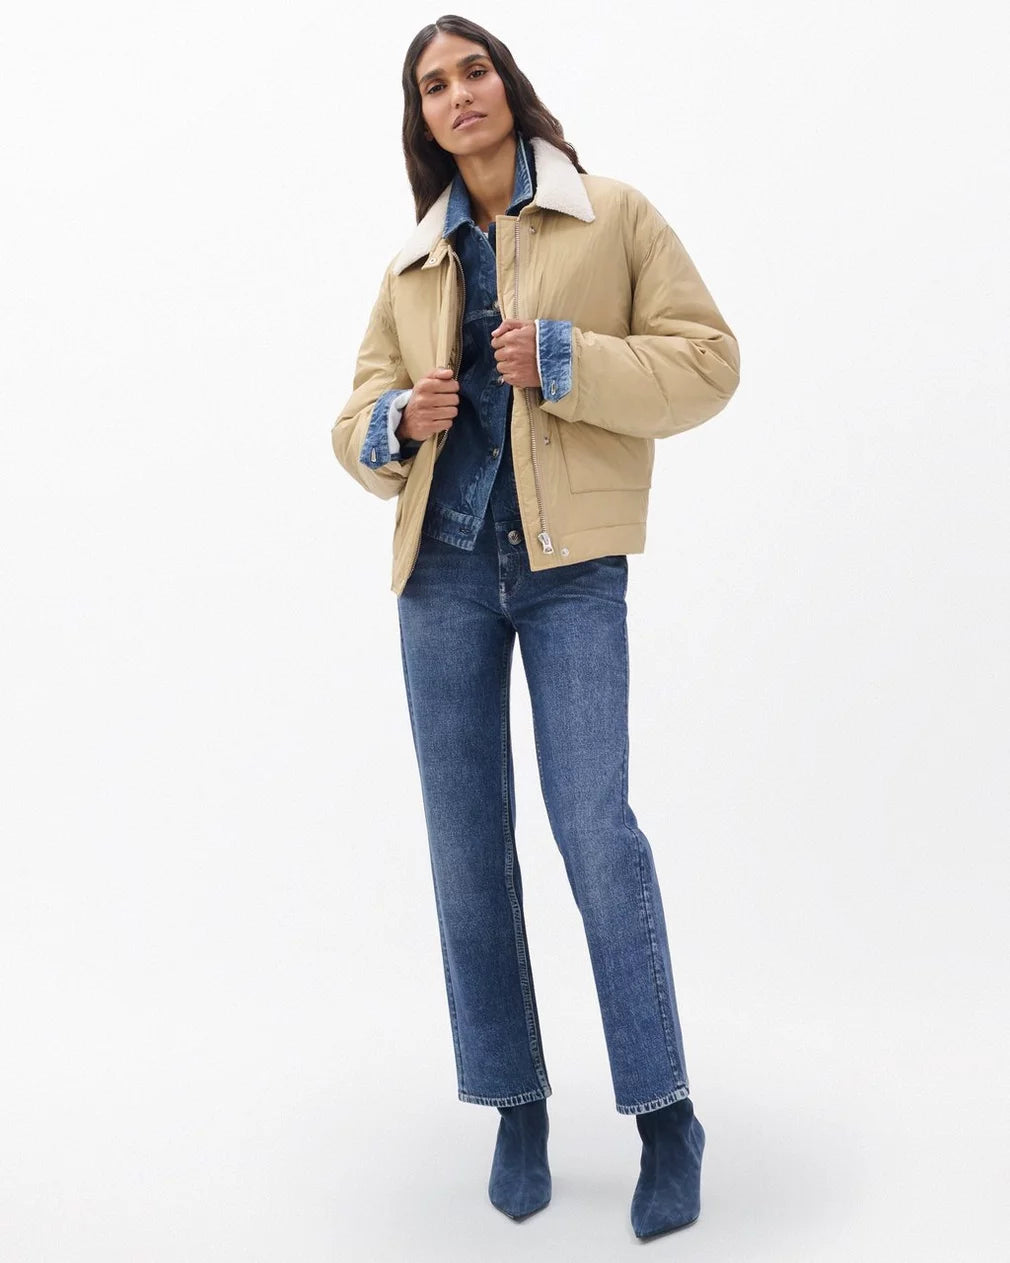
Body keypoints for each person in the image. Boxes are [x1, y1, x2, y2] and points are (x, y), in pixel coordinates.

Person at [330, 14, 740, 1241]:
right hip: (442, 576)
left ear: (507, 85)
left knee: (595, 835)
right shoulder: (413, 264)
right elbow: (351, 422)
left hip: (569, 572)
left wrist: (562, 358)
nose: (458, 93)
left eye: (474, 70)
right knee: (466, 847)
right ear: (421, 117)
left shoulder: (611, 217)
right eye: (433, 84)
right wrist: (398, 420)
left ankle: (665, 1117)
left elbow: (708, 363)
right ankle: (515, 1105)